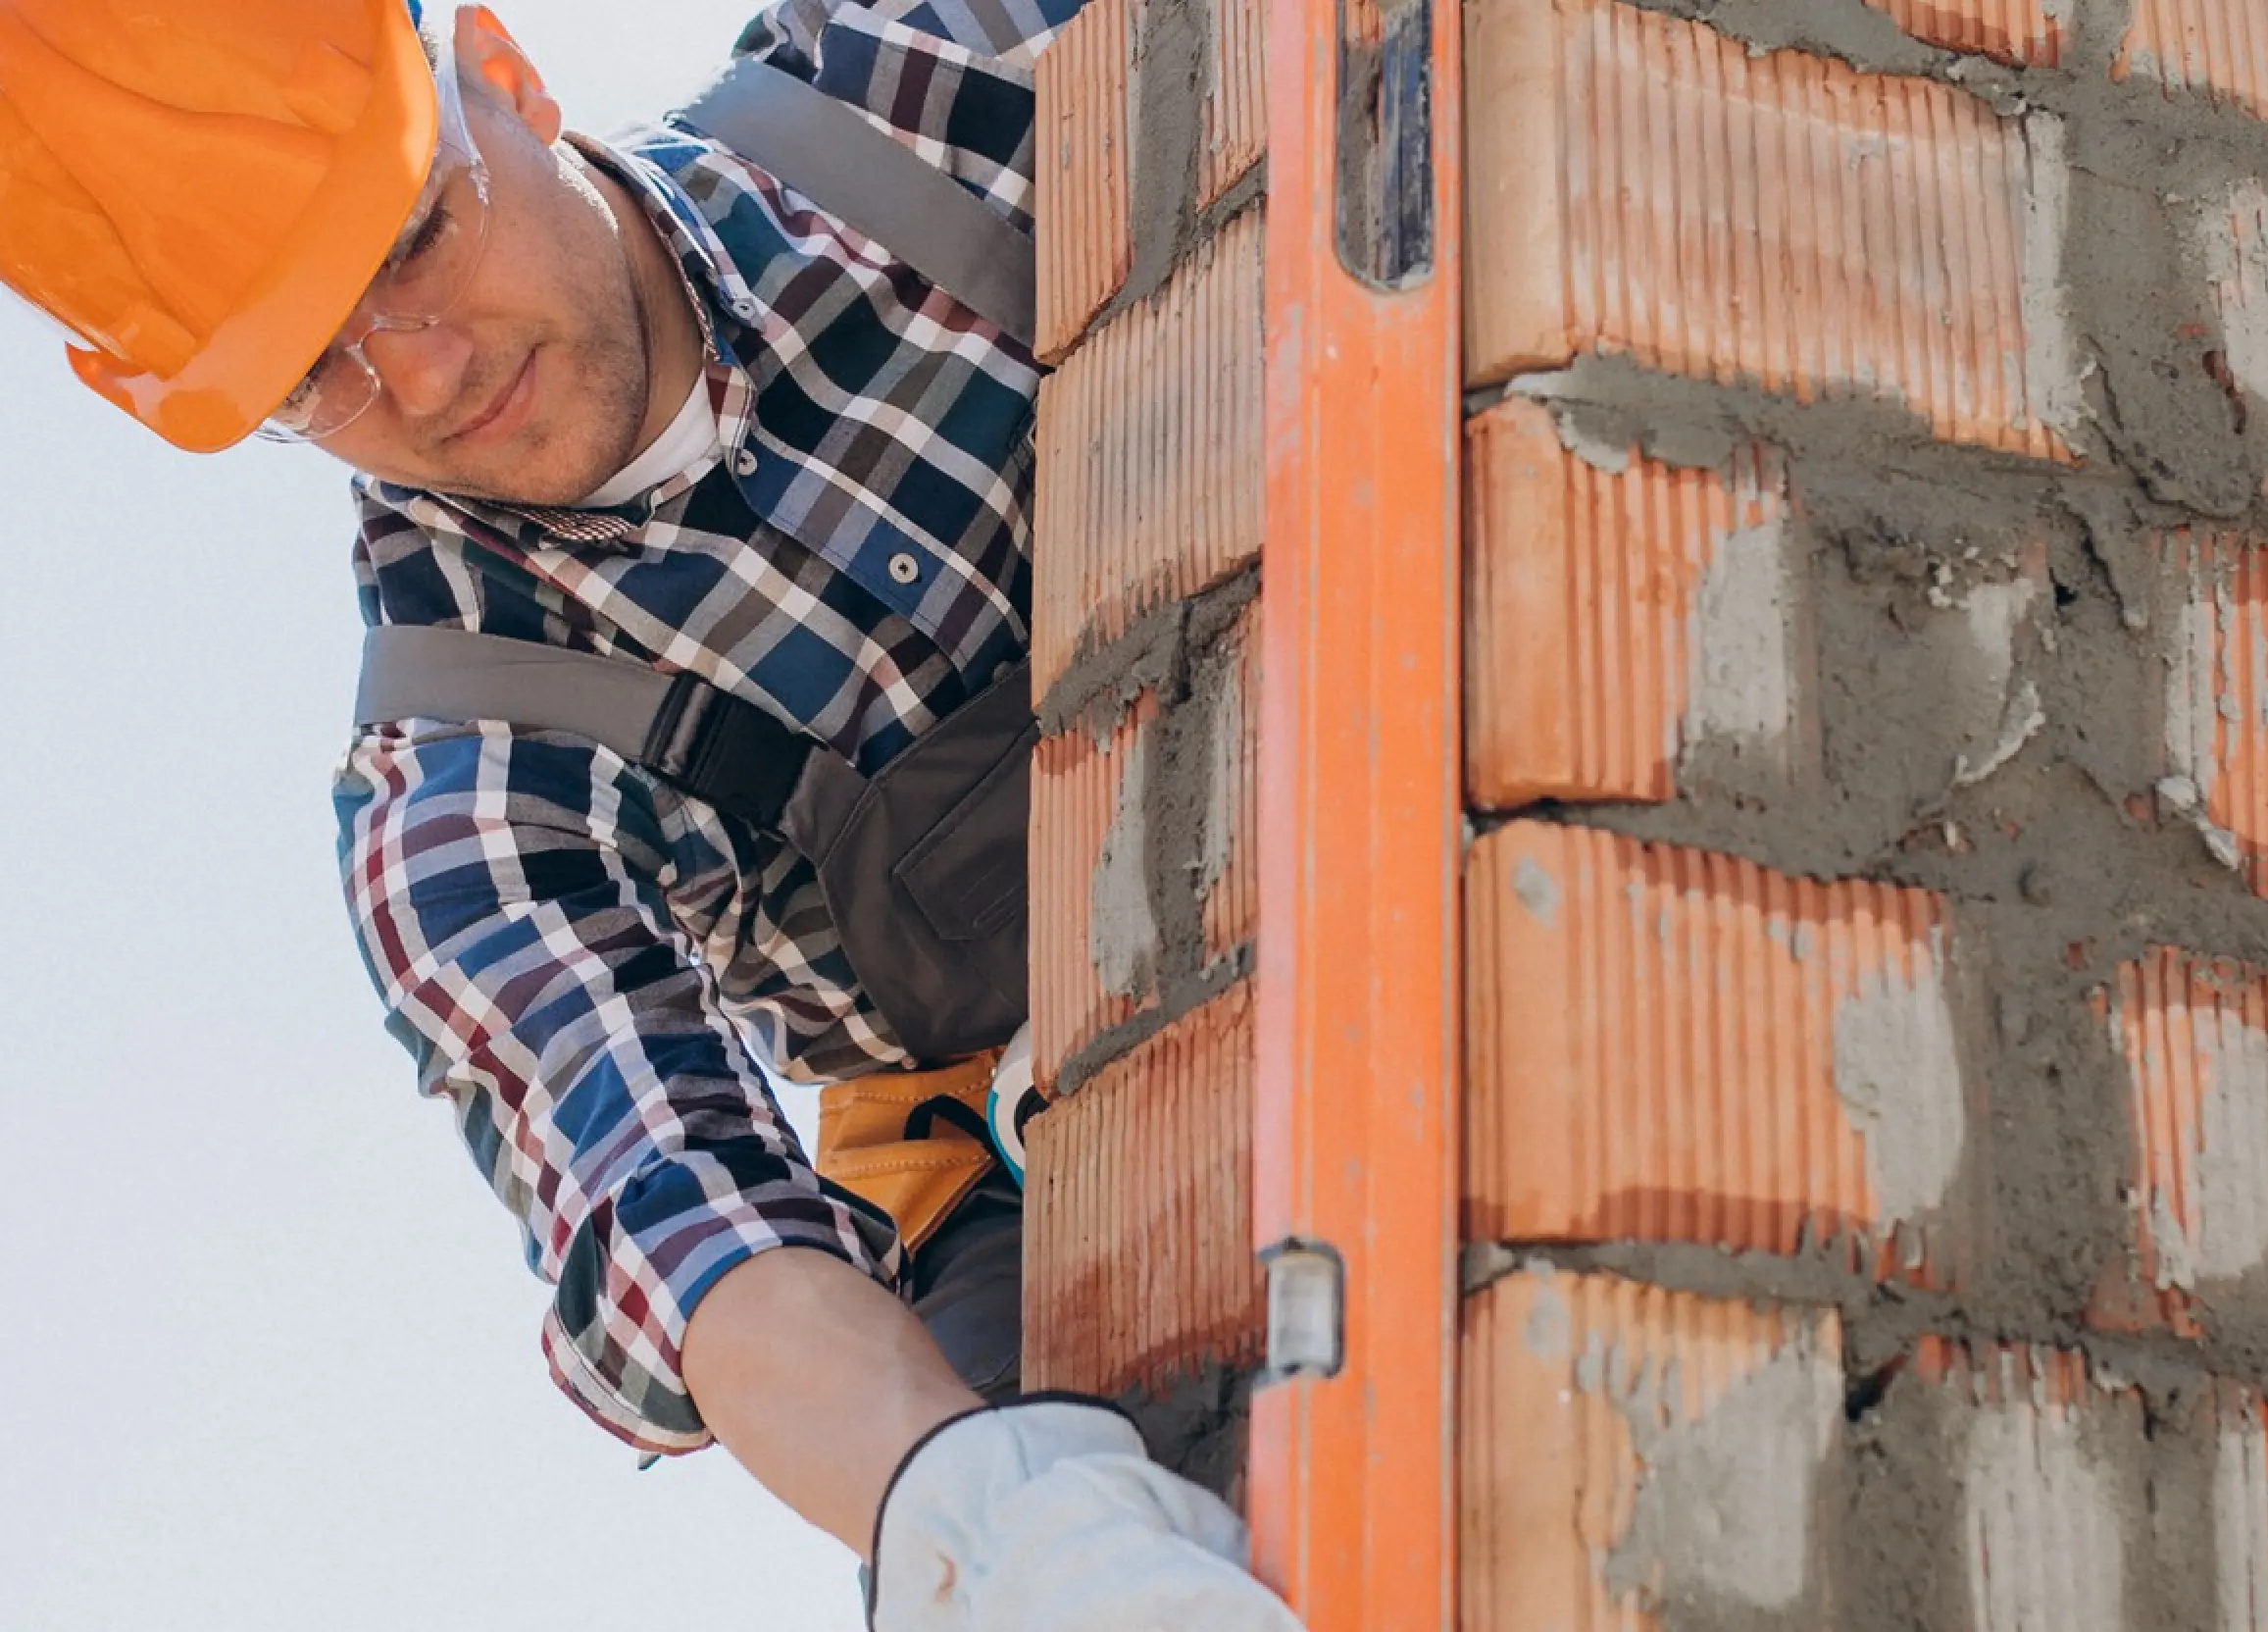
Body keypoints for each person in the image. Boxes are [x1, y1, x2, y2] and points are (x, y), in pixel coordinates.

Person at [0, 1, 1303, 1625]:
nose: (423, 370)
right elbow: (692, 1221)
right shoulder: (467, 778)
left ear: (503, 73)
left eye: (411, 237)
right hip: (1037, 1170)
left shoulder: (921, 76)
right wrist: (1002, 1532)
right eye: (302, 371)